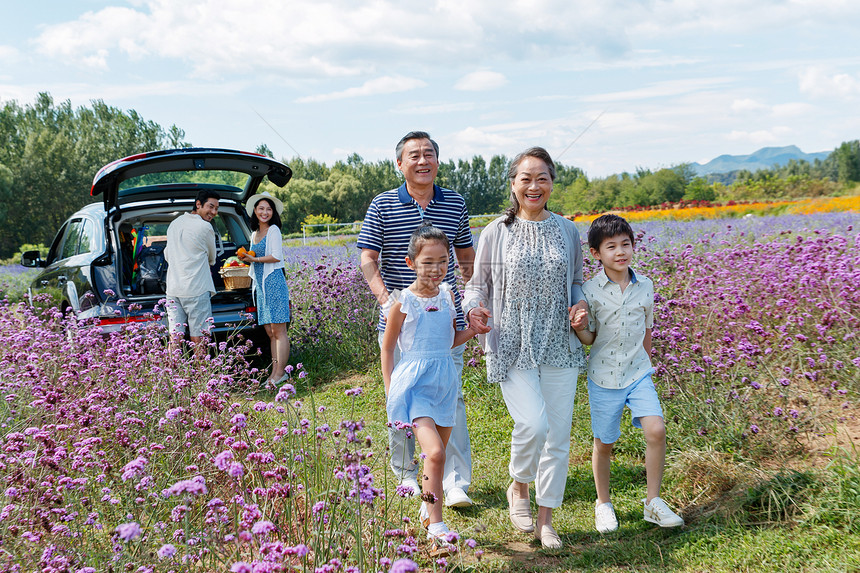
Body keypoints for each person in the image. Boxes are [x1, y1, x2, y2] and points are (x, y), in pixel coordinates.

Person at [463, 146, 588, 549]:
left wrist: (581, 303)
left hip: (558, 340)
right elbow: (476, 285)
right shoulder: (496, 232)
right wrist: (472, 310)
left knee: (559, 435)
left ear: (552, 183)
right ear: (513, 185)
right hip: (511, 340)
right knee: (533, 424)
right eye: (526, 179)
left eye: (542, 179)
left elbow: (575, 281)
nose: (534, 186)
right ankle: (519, 486)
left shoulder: (568, 231)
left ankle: (546, 518)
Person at [358, 131, 477, 508]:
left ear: (437, 162)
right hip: (401, 318)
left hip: (444, 319)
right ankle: (407, 473)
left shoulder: (455, 203)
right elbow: (367, 258)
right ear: (400, 164)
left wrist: (469, 301)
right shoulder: (382, 204)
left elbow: (467, 259)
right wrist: (384, 298)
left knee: (450, 397)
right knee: (400, 399)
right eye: (414, 155)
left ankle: (455, 480)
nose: (423, 161)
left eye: (429, 154)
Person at [570, 214, 684, 533]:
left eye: (626, 245)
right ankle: (603, 503)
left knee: (656, 430)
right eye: (611, 247)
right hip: (604, 378)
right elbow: (591, 338)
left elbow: (648, 329)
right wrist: (579, 330)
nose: (621, 252)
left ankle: (653, 502)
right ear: (596, 253)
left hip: (639, 374)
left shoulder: (645, 284)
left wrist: (647, 364)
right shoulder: (589, 291)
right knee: (604, 443)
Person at [382, 224, 484, 549]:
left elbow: (449, 341)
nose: (436, 269)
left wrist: (473, 330)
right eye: (428, 262)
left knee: (434, 459)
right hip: (414, 386)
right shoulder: (402, 302)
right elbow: (387, 347)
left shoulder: (448, 295)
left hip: (444, 383)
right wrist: (390, 390)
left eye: (443, 261)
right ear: (411, 263)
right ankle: (436, 523)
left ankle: (427, 510)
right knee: (436, 453)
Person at [239, 192, 291, 386]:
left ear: (273, 212)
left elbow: (276, 256)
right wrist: (247, 259)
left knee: (279, 330)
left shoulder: (274, 230)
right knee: (270, 331)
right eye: (261, 208)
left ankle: (281, 374)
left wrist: (255, 259)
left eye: (269, 209)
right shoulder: (254, 234)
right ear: (255, 211)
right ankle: (274, 373)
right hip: (260, 286)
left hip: (274, 282)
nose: (265, 212)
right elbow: (254, 257)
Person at [164, 189, 220, 353]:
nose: (214, 212)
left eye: (216, 208)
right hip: (196, 289)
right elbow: (212, 258)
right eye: (211, 207)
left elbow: (167, 254)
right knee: (200, 336)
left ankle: (171, 374)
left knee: (175, 336)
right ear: (198, 204)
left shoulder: (174, 223)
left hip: (173, 289)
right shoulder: (205, 227)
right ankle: (201, 375)